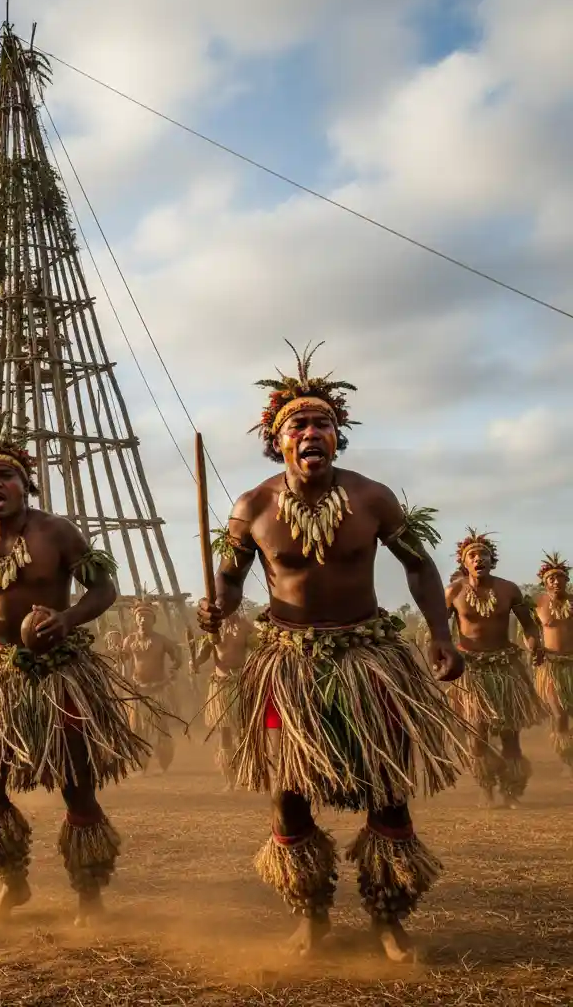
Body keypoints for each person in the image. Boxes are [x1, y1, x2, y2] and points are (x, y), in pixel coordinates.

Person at [197, 342, 468, 963]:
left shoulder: (372, 499)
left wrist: (440, 634)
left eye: (323, 423)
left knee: (386, 784)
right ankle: (312, 915)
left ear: (337, 437)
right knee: (289, 788)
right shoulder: (252, 507)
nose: (312, 431)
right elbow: (232, 579)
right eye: (298, 424)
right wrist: (220, 602)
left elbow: (421, 569)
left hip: (369, 661)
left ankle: (389, 921)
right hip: (287, 666)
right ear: (278, 440)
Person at [0, 424, 154, 926]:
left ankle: (89, 894)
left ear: (26, 484)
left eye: (4, 474)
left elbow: (103, 591)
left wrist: (67, 619)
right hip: (0, 673)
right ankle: (12, 881)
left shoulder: (56, 532)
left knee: (76, 783)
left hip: (61, 672)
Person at [445, 530, 545, 806]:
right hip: (471, 670)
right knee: (477, 733)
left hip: (505, 667)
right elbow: (439, 627)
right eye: (473, 555)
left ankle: (512, 789)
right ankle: (486, 785)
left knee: (509, 733)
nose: (479, 559)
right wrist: (441, 651)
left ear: (492, 560)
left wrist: (534, 642)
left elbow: (529, 625)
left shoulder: (509, 589)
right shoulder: (454, 591)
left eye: (484, 554)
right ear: (464, 563)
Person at [191, 611, 249, 791]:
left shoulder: (246, 627)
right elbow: (203, 654)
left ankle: (244, 775)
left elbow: (258, 648)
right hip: (220, 686)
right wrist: (195, 663)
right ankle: (229, 779)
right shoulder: (213, 629)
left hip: (241, 684)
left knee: (243, 731)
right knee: (224, 733)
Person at [121, 600, 181, 773]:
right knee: (138, 729)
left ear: (153, 620)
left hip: (158, 690)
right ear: (135, 619)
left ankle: (164, 763)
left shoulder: (161, 640)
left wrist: (174, 668)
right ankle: (142, 765)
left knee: (161, 728)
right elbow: (123, 661)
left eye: (147, 617)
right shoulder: (129, 640)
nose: (143, 620)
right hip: (138, 691)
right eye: (140, 617)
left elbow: (177, 656)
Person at [535, 553, 573, 772]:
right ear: (544, 582)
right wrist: (533, 648)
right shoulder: (538, 604)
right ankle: (566, 756)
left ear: (567, 580)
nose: (556, 582)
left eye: (560, 578)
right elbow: (529, 630)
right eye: (551, 578)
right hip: (551, 668)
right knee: (559, 715)